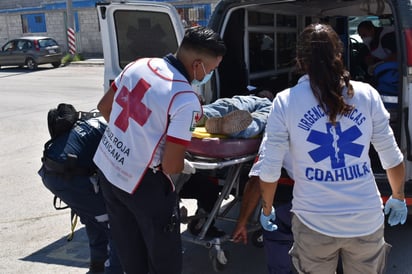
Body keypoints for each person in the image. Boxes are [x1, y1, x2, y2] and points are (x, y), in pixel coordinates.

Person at [258, 23, 406, 273]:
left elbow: (270, 168)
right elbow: (391, 156)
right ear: (339, 54)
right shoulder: (367, 94)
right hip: (366, 221)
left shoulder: (285, 101)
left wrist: (267, 208)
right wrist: (398, 196)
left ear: (300, 59)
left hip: (314, 223)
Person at [93, 26, 226, 274]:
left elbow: (104, 107)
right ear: (198, 64)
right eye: (212, 69)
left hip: (109, 169)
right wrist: (185, 167)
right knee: (164, 261)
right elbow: (170, 165)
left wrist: (131, 142)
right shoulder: (185, 98)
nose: (209, 75)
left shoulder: (139, 65)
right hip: (143, 186)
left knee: (130, 253)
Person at [38, 113, 123, 274]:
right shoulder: (116, 129)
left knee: (94, 220)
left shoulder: (94, 118)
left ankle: (97, 268)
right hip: (70, 178)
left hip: (52, 172)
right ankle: (114, 270)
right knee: (114, 225)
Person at [197, 90, 273, 138]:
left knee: (223, 107)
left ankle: (198, 114)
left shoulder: (247, 95)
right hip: (248, 102)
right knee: (260, 118)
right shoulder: (267, 102)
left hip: (236, 102)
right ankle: (235, 129)